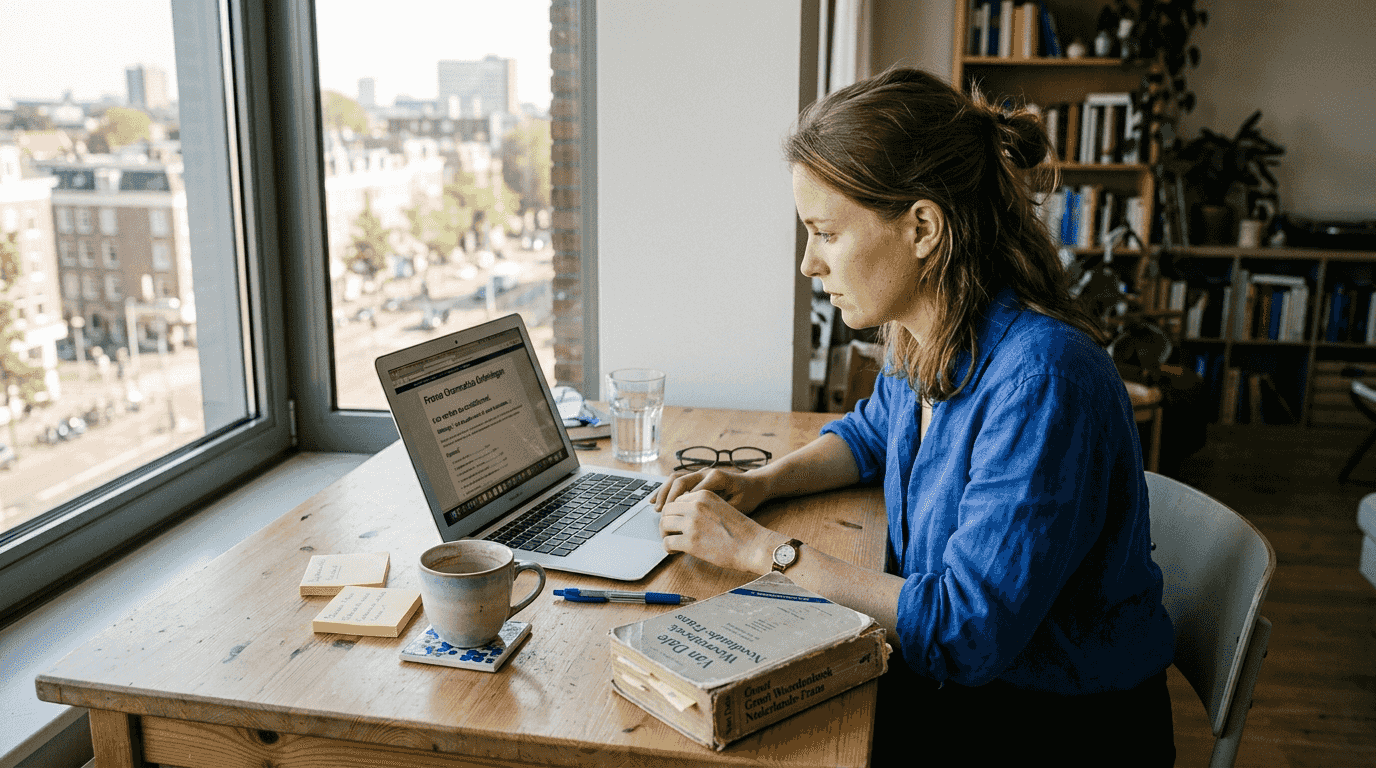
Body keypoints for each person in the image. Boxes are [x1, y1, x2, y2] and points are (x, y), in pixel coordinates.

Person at [651, 67, 1176, 765]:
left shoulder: (1043, 381)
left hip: (1051, 725)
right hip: (963, 686)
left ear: (923, 227)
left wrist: (762, 552)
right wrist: (761, 484)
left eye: (825, 233)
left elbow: (966, 632)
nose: (808, 264)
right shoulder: (931, 331)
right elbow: (870, 436)